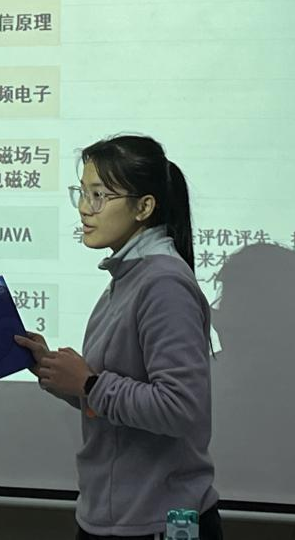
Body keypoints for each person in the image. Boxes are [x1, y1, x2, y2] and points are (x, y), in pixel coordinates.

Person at [15, 134, 222, 540]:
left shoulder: (163, 283)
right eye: (82, 192)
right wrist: (56, 371)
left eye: (99, 195)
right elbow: (112, 398)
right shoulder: (129, 276)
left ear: (144, 207)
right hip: (113, 515)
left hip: (159, 522)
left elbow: (180, 408)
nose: (84, 208)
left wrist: (89, 384)